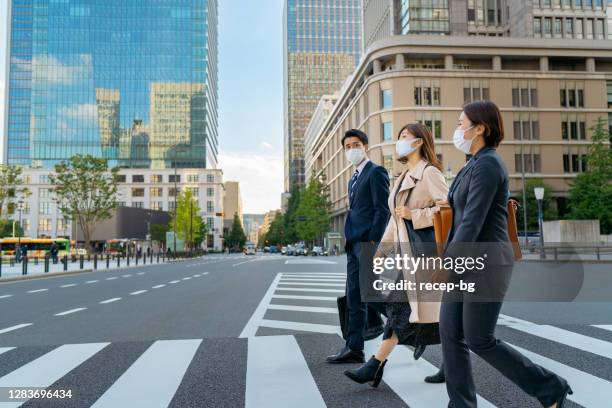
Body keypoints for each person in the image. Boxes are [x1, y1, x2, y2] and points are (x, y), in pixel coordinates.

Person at [440, 100, 572, 408]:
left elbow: (473, 219)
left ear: (480, 128)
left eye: (461, 123)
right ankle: (461, 404)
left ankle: (550, 387)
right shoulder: (471, 163)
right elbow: (460, 215)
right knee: (450, 332)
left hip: (486, 263)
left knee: (479, 338)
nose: (457, 129)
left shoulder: (488, 164)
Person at [344, 123, 448, 387]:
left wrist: (416, 214)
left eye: (405, 136)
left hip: (425, 254)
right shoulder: (402, 177)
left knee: (405, 309)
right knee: (412, 310)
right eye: (399, 136)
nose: (399, 140)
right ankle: (450, 362)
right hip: (408, 255)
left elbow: (447, 211)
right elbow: (394, 221)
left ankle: (374, 365)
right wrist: (381, 252)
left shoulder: (430, 173)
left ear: (419, 142)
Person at [326, 129, 390, 364]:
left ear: (365, 147)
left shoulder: (376, 172)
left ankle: (408, 321)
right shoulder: (353, 177)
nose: (352, 149)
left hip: (367, 244)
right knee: (354, 297)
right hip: (353, 244)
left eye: (356, 144)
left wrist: (373, 241)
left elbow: (382, 210)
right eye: (348, 146)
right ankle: (354, 348)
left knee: (369, 295)